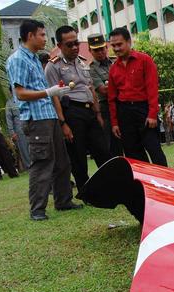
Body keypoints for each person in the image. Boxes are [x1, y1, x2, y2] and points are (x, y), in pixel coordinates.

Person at [7, 19, 82, 221]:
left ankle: (63, 201)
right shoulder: (18, 60)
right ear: (30, 36)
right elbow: (20, 93)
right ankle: (37, 210)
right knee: (42, 163)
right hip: (36, 119)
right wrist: (49, 91)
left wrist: (57, 92)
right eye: (41, 34)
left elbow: (42, 91)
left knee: (62, 162)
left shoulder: (33, 58)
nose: (44, 38)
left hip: (48, 116)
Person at [45, 26, 111, 193]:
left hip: (90, 112)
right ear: (59, 45)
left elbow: (91, 89)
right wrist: (63, 123)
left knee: (102, 150)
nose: (74, 47)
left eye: (76, 43)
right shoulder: (53, 67)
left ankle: (110, 186)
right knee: (78, 155)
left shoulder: (82, 62)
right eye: (69, 44)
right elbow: (54, 97)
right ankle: (85, 191)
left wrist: (97, 113)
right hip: (72, 112)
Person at [108, 27, 167, 166]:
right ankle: (144, 185)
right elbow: (112, 98)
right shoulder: (113, 69)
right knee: (133, 154)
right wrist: (115, 123)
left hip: (143, 110)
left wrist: (152, 114)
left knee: (154, 150)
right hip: (124, 114)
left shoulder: (144, 60)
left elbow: (152, 88)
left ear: (129, 42)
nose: (116, 48)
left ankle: (166, 184)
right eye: (113, 45)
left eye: (119, 44)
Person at [88, 33, 123, 157]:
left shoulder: (116, 62)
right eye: (96, 50)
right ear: (90, 51)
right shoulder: (91, 69)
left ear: (106, 47)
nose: (100, 52)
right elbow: (103, 90)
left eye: (102, 49)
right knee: (113, 145)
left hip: (123, 105)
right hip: (106, 108)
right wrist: (123, 85)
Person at [6, 87, 31, 170]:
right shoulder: (9, 104)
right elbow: (9, 119)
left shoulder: (27, 98)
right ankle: (29, 167)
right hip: (19, 130)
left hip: (31, 126)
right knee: (24, 149)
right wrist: (12, 133)